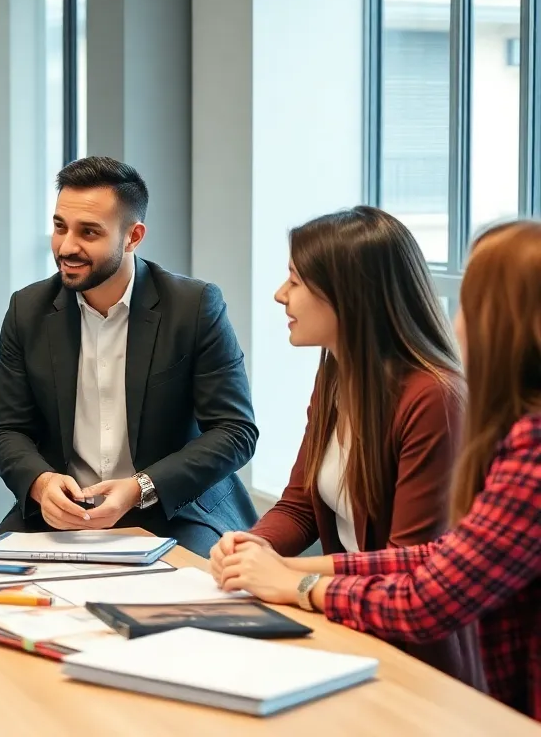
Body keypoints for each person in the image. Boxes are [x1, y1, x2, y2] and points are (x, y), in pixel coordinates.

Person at [215, 219, 541, 722]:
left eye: (296, 281)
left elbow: (425, 589)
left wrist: (296, 584)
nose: (281, 295)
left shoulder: (456, 407)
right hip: (359, 628)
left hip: (417, 664)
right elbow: (431, 553)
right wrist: (262, 556)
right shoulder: (336, 375)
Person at [0, 156, 258, 555]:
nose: (67, 246)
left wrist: (141, 488)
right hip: (63, 511)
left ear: (133, 237)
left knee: (181, 602)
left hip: (173, 507)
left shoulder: (194, 306)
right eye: (60, 227)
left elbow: (235, 431)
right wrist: (41, 483)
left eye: (89, 232)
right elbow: (6, 430)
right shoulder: (28, 310)